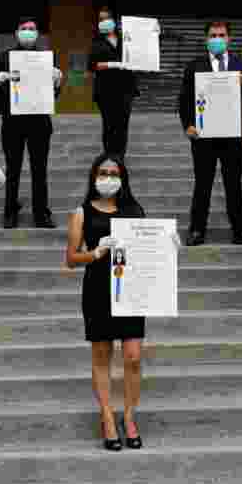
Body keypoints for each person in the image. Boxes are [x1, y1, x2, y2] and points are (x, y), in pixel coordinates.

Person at [64, 153, 181, 451]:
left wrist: (168, 244)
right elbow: (71, 258)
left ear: (123, 177)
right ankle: (107, 417)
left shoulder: (134, 210)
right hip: (98, 290)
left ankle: (129, 416)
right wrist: (95, 253)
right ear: (93, 176)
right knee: (101, 356)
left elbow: (148, 246)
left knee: (132, 356)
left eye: (114, 172)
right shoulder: (82, 213)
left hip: (131, 290)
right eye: (102, 172)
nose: (108, 177)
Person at [178, 20, 242, 246]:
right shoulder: (194, 65)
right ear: (206, 39)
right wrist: (188, 125)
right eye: (213, 35)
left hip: (233, 136)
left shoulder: (241, 63)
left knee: (233, 184)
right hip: (203, 136)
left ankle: (240, 230)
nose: (217, 39)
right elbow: (184, 100)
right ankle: (196, 230)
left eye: (221, 35)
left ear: (229, 38)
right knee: (202, 183)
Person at [0, 16, 62, 229]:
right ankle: (10, 213)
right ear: (16, 32)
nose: (28, 31)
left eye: (32, 28)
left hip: (39, 121)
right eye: (24, 28)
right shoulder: (4, 57)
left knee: (40, 169)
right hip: (13, 122)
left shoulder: (47, 57)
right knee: (13, 168)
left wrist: (58, 82)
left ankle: (42, 214)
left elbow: (54, 95)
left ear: (37, 33)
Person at [88, 7, 139, 157]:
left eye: (106, 19)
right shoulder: (97, 42)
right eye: (100, 19)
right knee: (109, 125)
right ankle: (110, 156)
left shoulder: (126, 39)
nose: (104, 22)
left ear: (114, 21)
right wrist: (111, 64)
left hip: (125, 89)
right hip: (106, 91)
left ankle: (120, 158)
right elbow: (91, 65)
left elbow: (139, 56)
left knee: (122, 126)